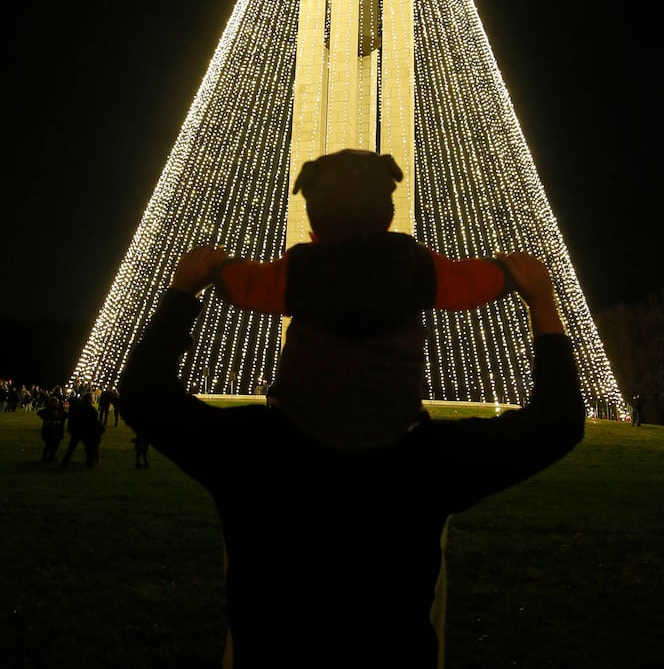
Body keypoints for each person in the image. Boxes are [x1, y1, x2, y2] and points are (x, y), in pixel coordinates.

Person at [120, 244, 585, 668]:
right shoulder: (427, 462)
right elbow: (558, 421)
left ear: (299, 344)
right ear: (407, 353)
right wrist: (542, 302)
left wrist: (182, 293)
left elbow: (144, 395)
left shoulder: (254, 452)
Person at [183, 149, 520, 448]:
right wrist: (506, 271)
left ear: (315, 219)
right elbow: (465, 284)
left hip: (304, 422)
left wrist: (219, 267)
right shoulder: (412, 261)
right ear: (387, 214)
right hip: (393, 421)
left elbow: (252, 286)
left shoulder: (302, 266)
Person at [60, 392, 106, 469]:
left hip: (77, 430)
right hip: (86, 431)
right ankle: (89, 462)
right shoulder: (91, 409)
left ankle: (65, 462)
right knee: (88, 448)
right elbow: (94, 420)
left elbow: (72, 417)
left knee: (71, 448)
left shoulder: (77, 407)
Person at [37, 395, 67, 462]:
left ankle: (51, 456)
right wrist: (48, 420)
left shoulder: (60, 409)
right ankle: (46, 457)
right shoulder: (48, 410)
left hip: (57, 430)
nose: (55, 404)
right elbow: (40, 413)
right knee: (49, 444)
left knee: (55, 445)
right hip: (50, 430)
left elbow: (66, 415)